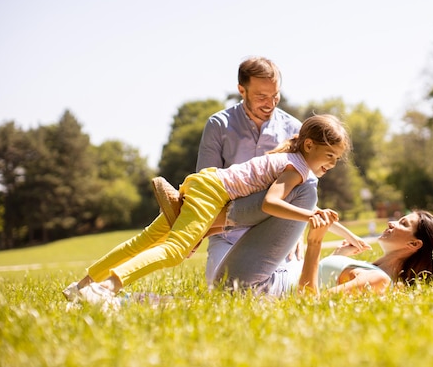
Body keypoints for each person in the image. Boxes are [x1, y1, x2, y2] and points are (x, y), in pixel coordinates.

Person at [63, 114, 369, 309]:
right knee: (174, 251)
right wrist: (309, 218)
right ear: (310, 145)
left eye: (336, 158)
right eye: (329, 155)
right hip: (213, 193)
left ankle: (81, 286)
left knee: (147, 240)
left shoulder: (293, 160)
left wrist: (343, 229)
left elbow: (306, 205)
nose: (331, 163)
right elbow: (270, 204)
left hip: (206, 184)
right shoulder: (296, 169)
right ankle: (108, 287)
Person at [196, 56, 307, 284]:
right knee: (222, 291)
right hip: (227, 235)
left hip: (277, 234)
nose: (270, 103)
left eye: (275, 95)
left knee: (291, 290)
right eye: (261, 96)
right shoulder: (219, 126)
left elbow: (304, 189)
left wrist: (296, 232)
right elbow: (205, 189)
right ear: (241, 90)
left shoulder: (294, 129)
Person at [211, 210, 433, 296]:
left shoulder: (378, 280)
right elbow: (322, 280)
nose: (392, 223)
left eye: (403, 224)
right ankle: (196, 226)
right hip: (268, 274)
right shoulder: (370, 270)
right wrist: (338, 256)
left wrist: (315, 246)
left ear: (414, 245)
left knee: (300, 198)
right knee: (292, 205)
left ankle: (194, 225)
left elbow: (310, 302)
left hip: (258, 286)